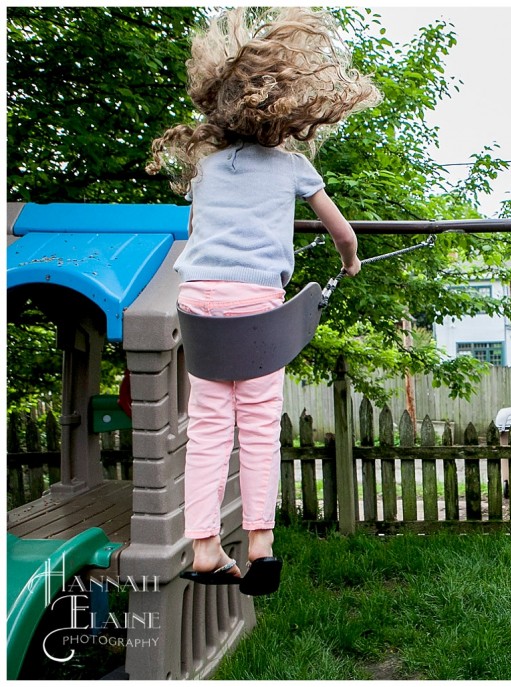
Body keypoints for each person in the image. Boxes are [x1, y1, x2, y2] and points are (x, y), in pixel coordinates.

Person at [147, 7, 381, 595]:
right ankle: (260, 545)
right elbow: (342, 233)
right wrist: (350, 263)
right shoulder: (292, 167)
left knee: (206, 430)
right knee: (256, 429)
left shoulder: (204, 167)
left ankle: (203, 547)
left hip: (199, 302)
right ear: (287, 114)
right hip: (256, 307)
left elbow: (203, 228)